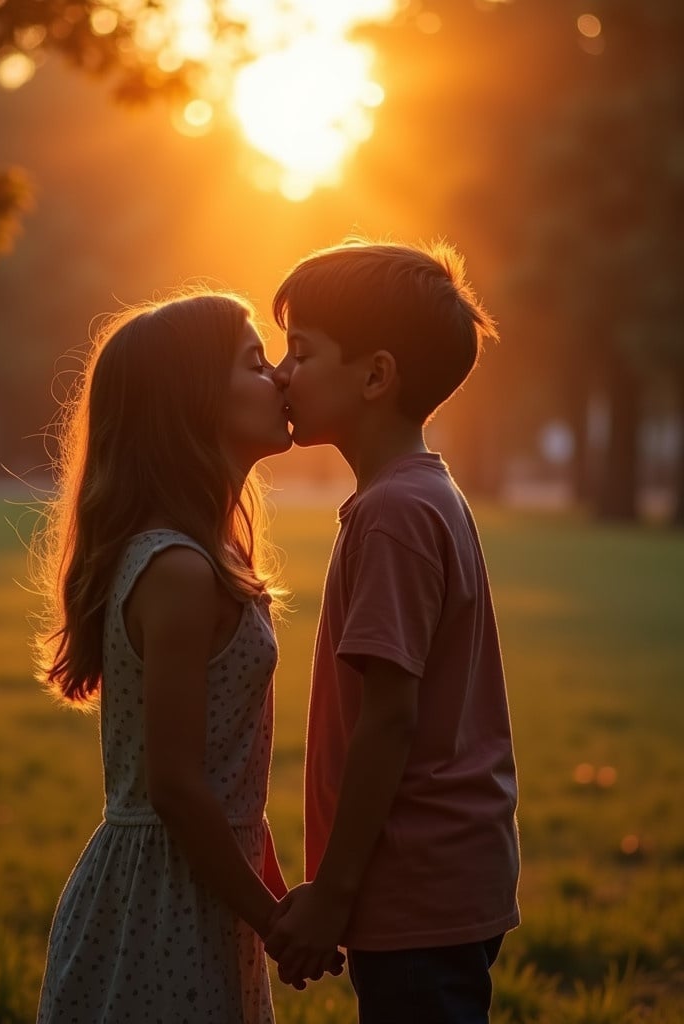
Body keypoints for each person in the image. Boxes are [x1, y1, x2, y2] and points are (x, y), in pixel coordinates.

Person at [32, 291, 339, 1023]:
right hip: (161, 902)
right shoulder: (177, 569)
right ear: (192, 400)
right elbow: (176, 787)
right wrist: (271, 921)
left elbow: (227, 775)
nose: (280, 379)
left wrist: (271, 894)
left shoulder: (212, 553)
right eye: (254, 362)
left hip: (201, 886)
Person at [264, 240, 521, 1023]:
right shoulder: (419, 495)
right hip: (441, 878)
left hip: (417, 883)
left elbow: (389, 719)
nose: (279, 374)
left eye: (300, 353)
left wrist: (333, 894)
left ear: (375, 376)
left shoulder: (393, 515)